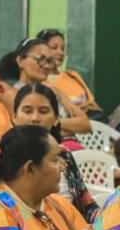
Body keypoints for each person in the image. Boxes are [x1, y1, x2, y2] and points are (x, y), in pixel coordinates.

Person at [13, 84, 99, 222]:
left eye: (43, 111)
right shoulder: (4, 155)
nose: (35, 118)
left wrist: (106, 219)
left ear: (56, 119)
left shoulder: (63, 154)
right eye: (27, 111)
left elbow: (86, 205)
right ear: (14, 117)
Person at [0, 37, 90, 137]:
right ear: (20, 61)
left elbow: (85, 124)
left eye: (49, 61)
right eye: (41, 59)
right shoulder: (12, 94)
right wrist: (66, 125)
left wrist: (52, 123)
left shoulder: (53, 90)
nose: (46, 66)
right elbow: (30, 131)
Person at [37, 28, 105, 119]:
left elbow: (96, 107)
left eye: (63, 48)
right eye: (54, 47)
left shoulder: (73, 75)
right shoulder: (39, 82)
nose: (60, 52)